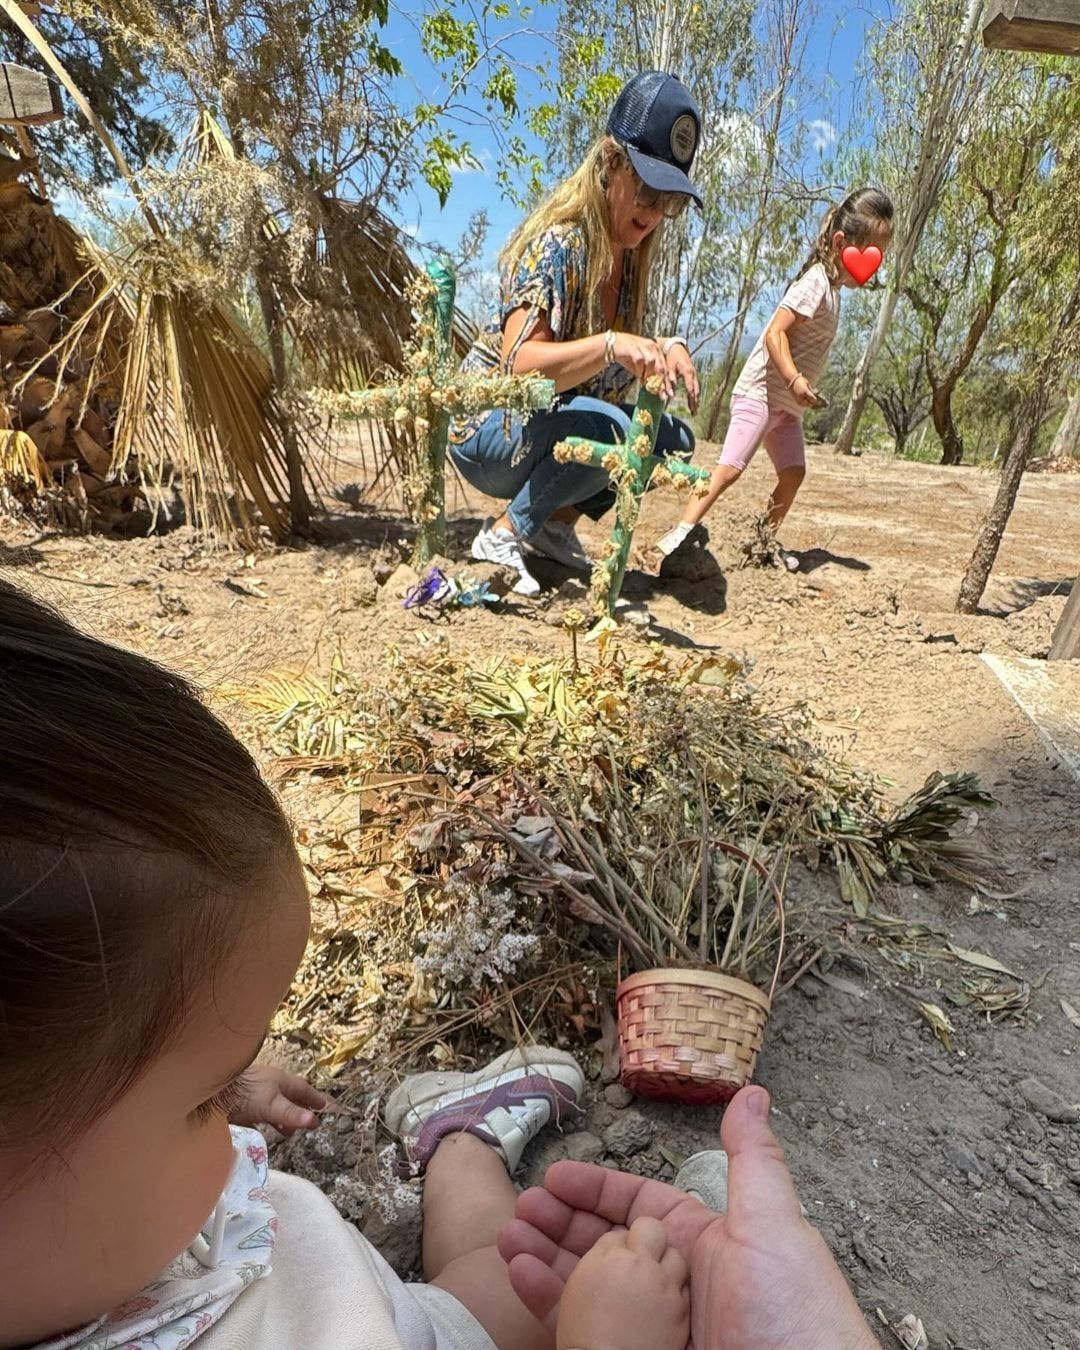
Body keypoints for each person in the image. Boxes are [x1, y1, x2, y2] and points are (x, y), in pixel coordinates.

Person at [0, 581, 875, 1350]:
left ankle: (458, 1137)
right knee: (559, 1288)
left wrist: (222, 1088)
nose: (237, 1136)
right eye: (204, 1102)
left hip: (388, 1310)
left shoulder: (66, 1244)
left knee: (495, 1277)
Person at [448, 70, 704, 596]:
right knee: (612, 428)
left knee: (671, 439)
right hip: (487, 429)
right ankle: (503, 534)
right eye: (648, 191)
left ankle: (553, 524)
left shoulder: (629, 264)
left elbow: (616, 358)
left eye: (670, 202)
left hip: (541, 430)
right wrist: (610, 345)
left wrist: (665, 346)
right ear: (611, 162)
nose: (655, 213)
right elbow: (518, 368)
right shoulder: (560, 245)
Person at [653, 188, 894, 573]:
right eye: (871, 255)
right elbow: (774, 334)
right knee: (730, 468)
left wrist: (797, 390)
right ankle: (677, 536)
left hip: (785, 407)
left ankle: (762, 542)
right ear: (841, 244)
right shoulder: (815, 283)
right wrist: (794, 379)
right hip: (761, 394)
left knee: (793, 473)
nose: (874, 268)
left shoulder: (833, 292)